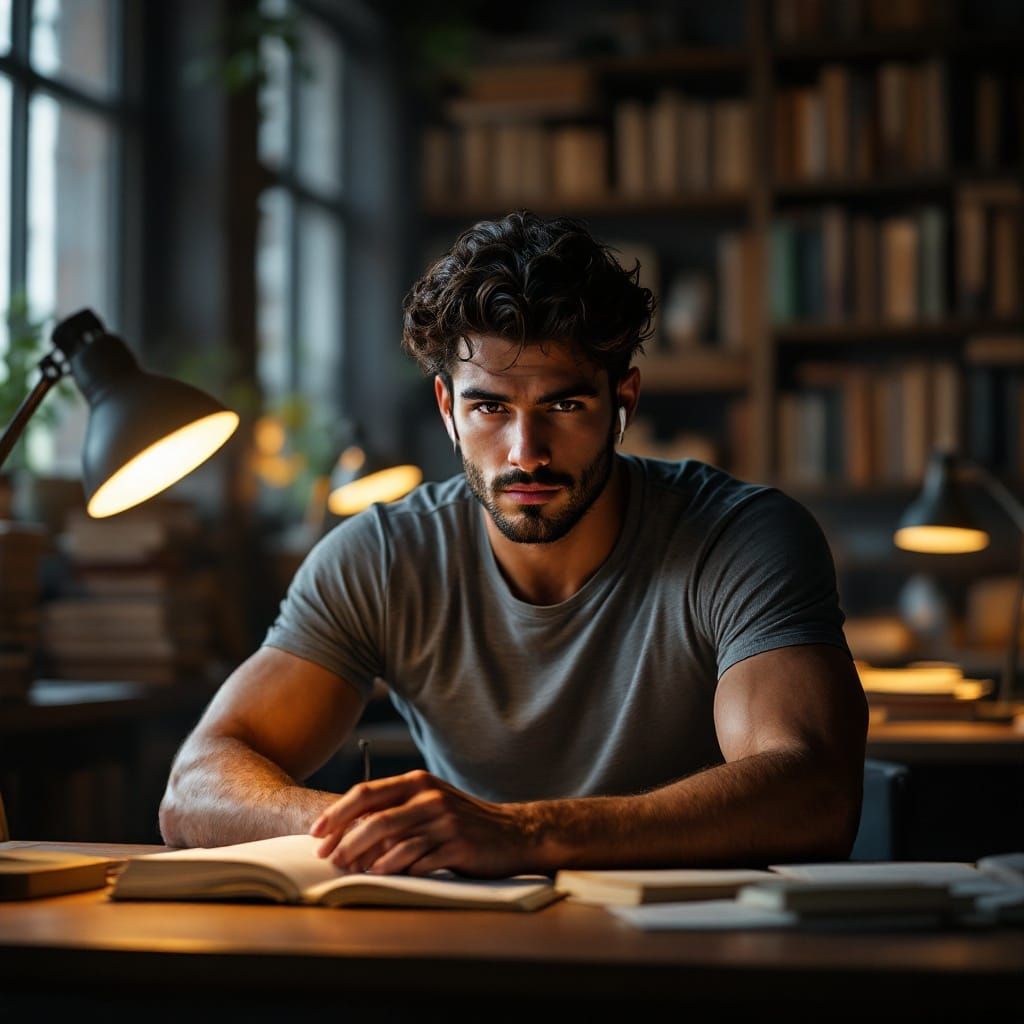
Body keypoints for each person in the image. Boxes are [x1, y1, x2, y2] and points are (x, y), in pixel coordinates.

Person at [159, 211, 868, 876]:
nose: (526, 453)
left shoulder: (741, 537)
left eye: (564, 405)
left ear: (624, 401)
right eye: (489, 407)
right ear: (447, 410)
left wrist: (522, 832)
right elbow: (194, 789)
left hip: (690, 961)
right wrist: (378, 827)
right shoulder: (380, 557)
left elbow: (814, 792)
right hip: (473, 954)